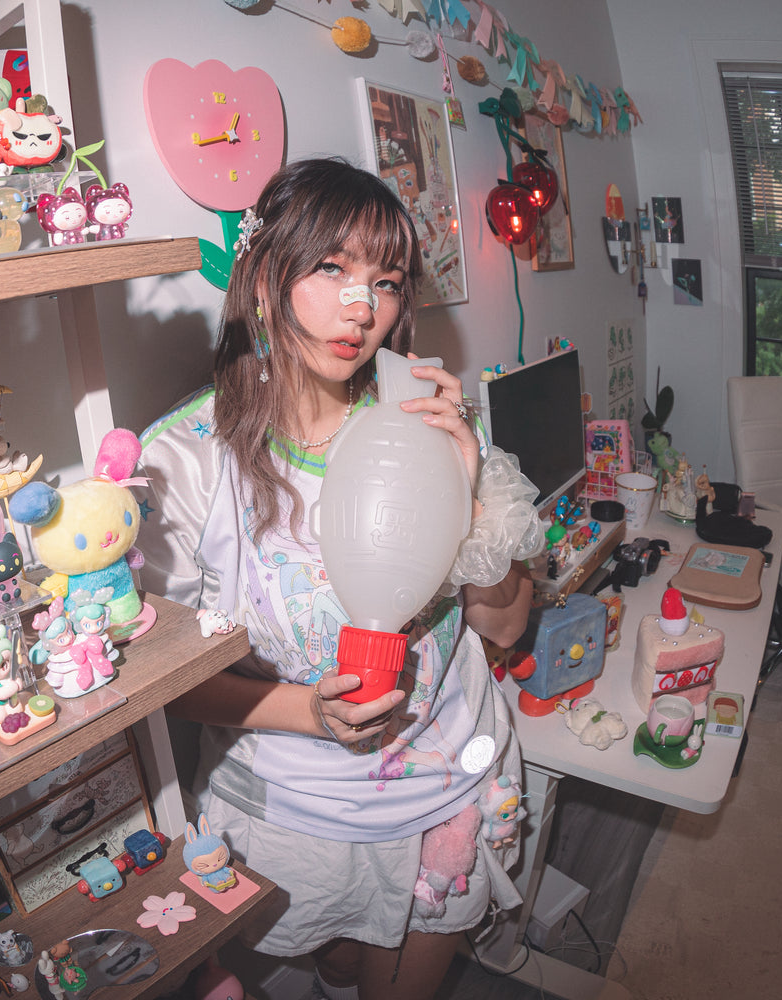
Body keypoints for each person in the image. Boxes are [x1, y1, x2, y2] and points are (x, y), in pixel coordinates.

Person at [137, 158, 542, 1000]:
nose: (363, 307)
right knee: (338, 963)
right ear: (264, 276)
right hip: (302, 809)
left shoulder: (425, 421)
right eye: (331, 268)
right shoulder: (185, 460)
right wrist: (309, 712)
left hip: (448, 787)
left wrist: (468, 489)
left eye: (386, 282)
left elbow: (505, 628)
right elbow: (161, 687)